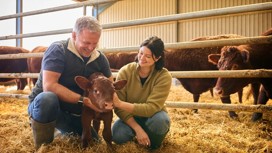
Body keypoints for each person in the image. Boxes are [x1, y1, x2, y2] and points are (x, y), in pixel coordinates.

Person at [28, 16, 113, 149]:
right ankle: (43, 146)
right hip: (49, 107)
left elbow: (110, 85)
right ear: (74, 35)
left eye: (94, 43)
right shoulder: (58, 50)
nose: (91, 48)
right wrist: (83, 100)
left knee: (94, 142)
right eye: (86, 42)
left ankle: (59, 129)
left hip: (74, 114)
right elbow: (49, 86)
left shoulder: (100, 58)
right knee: (47, 99)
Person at [112, 36, 172, 150]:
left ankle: (153, 145)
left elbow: (151, 108)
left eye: (148, 56)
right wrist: (137, 129)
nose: (142, 58)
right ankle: (139, 135)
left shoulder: (164, 76)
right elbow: (118, 108)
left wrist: (120, 104)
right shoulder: (125, 71)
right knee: (117, 135)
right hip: (131, 117)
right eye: (140, 53)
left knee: (161, 122)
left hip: (153, 116)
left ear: (158, 58)